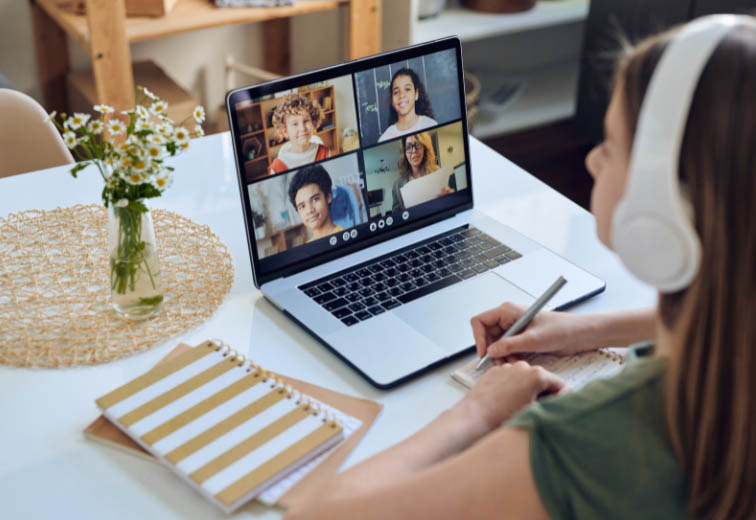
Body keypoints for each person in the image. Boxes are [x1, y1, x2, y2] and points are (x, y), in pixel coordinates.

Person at [286, 16, 756, 519]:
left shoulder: (591, 443)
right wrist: (584, 328)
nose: (594, 160)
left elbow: (312, 514)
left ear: (667, 209)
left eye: (612, 146)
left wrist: (478, 411)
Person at [391, 131, 453, 213]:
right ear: (404, 153)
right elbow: (396, 214)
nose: (414, 151)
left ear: (425, 148)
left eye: (418, 145)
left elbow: (449, 204)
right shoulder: (397, 185)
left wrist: (450, 198)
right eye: (408, 147)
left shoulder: (437, 172)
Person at [269, 94, 330, 175]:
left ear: (313, 123)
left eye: (306, 121)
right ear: (285, 131)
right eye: (295, 124)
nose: (302, 128)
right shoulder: (277, 168)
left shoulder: (324, 152)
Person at [377, 68, 438, 143]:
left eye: (407, 89)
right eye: (396, 92)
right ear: (392, 100)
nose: (402, 95)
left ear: (416, 94)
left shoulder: (430, 125)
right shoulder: (385, 138)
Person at [288, 164, 343, 242]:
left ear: (328, 197)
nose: (309, 210)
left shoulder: (343, 236)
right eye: (302, 206)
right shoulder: (307, 248)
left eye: (315, 199)